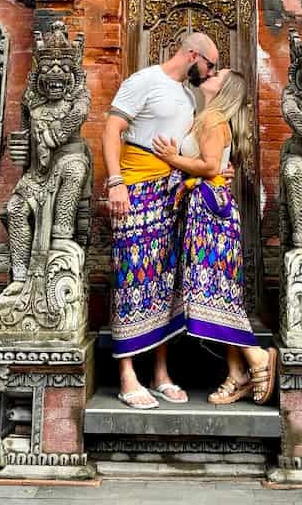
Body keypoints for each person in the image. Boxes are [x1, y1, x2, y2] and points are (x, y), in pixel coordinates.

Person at [103, 31, 220, 410]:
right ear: (192, 55)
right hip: (134, 187)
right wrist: (115, 182)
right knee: (131, 275)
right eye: (210, 64)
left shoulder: (188, 95)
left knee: (164, 281)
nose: (211, 71)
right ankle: (126, 375)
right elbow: (111, 129)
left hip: (171, 193)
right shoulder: (144, 81)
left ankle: (160, 373)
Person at [153, 69, 277, 406]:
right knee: (219, 289)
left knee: (211, 289)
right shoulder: (206, 118)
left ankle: (257, 358)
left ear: (223, 89)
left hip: (210, 209)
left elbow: (209, 166)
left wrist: (172, 159)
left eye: (215, 74)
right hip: (210, 205)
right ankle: (236, 373)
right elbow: (214, 164)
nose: (207, 75)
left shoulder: (212, 119)